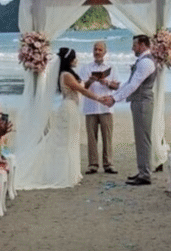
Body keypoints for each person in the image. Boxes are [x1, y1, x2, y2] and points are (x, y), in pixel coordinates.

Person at [15, 47, 106, 189]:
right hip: (68, 109)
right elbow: (81, 90)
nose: (77, 60)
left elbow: (81, 87)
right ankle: (66, 174)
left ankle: (72, 173)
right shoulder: (66, 75)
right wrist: (99, 98)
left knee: (71, 140)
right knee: (66, 141)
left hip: (73, 108)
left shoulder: (69, 74)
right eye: (74, 58)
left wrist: (90, 81)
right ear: (69, 60)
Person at [101, 35, 158, 186]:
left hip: (143, 103)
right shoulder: (143, 61)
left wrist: (114, 99)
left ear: (143, 45)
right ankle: (142, 170)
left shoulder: (146, 62)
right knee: (140, 139)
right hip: (139, 102)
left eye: (135, 45)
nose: (132, 48)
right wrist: (114, 91)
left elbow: (134, 85)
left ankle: (145, 174)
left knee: (143, 139)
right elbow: (129, 83)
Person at [78, 41, 119, 174]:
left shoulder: (111, 67)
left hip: (106, 106)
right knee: (91, 137)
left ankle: (108, 164)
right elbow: (82, 87)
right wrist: (91, 80)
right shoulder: (86, 67)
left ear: (105, 52)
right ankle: (93, 164)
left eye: (100, 50)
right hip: (90, 106)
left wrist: (106, 82)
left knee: (107, 136)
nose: (97, 52)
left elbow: (117, 86)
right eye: (95, 50)